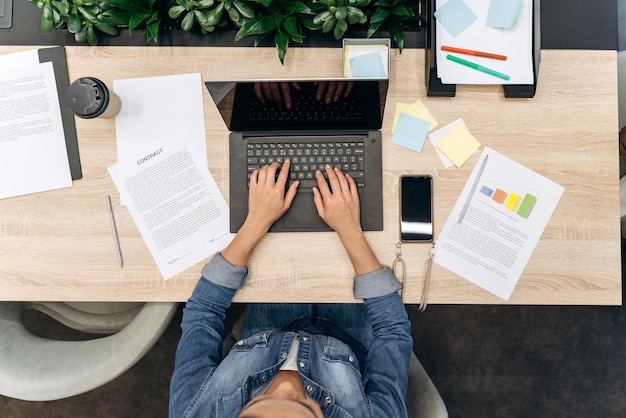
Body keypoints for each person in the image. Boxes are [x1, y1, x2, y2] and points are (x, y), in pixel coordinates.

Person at [169, 160, 413, 417]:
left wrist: (255, 222)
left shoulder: (194, 411)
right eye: (305, 403)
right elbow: (392, 332)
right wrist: (350, 230)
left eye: (265, 399)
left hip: (270, 318)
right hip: (351, 332)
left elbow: (203, 312)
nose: (287, 386)